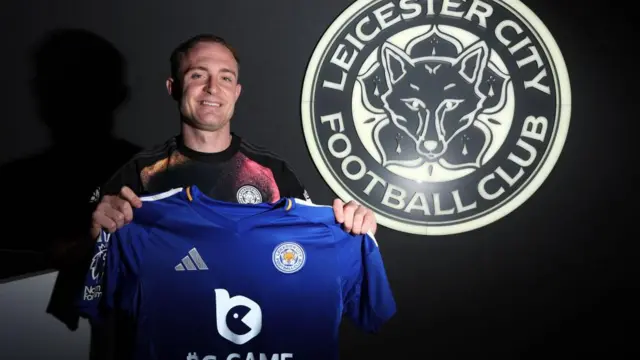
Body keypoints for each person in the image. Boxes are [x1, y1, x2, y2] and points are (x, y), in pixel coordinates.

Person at [89, 33, 378, 240]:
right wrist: (93, 233)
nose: (213, 88)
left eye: (226, 78)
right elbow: (72, 256)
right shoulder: (138, 174)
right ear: (173, 88)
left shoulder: (274, 173)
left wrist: (351, 226)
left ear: (236, 92)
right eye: (197, 75)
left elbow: (310, 245)